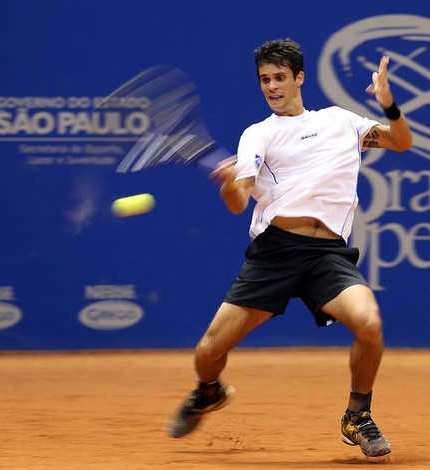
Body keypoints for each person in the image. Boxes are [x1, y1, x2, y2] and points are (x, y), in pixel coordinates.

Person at [168, 38, 413, 459]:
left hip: (328, 255)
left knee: (368, 323)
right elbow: (238, 201)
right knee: (208, 352)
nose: (272, 87)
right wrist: (230, 183)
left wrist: (390, 105)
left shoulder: (341, 121)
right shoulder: (258, 134)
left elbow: (401, 141)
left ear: (299, 78)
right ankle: (209, 391)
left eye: (280, 77)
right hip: (275, 253)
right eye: (265, 80)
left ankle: (358, 416)